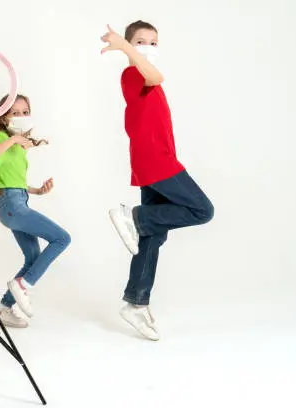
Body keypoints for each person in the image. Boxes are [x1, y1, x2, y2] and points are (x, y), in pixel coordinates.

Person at [100, 21, 214, 340]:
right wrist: (125, 49)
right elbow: (155, 75)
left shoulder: (143, 73)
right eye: (140, 41)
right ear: (129, 44)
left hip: (155, 158)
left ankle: (136, 302)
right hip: (156, 161)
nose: (147, 46)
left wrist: (131, 49)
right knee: (202, 210)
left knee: (152, 234)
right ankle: (132, 216)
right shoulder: (134, 73)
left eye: (153, 42)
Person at [0, 94, 71, 328]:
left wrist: (37, 190)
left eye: (25, 112)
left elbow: (11, 180)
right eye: (15, 113)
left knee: (33, 257)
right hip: (11, 206)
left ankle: (3, 309)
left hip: (18, 202)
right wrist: (13, 141)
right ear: (3, 117)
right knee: (62, 238)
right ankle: (24, 285)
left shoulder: (19, 145)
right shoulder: (2, 137)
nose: (21, 117)